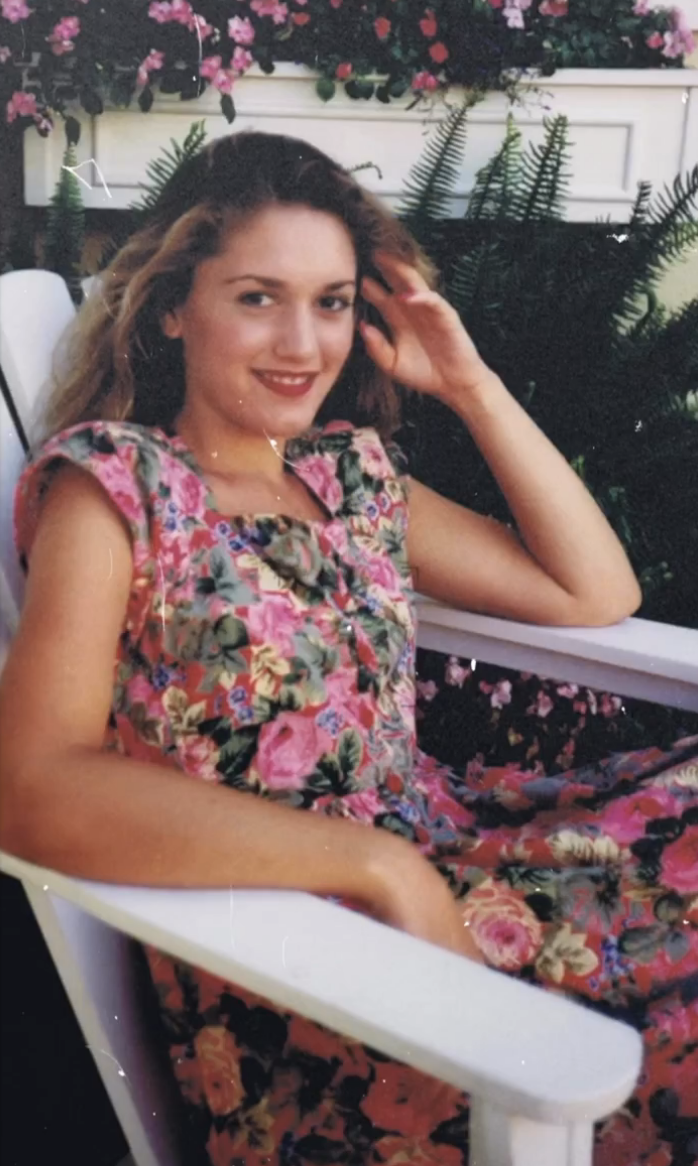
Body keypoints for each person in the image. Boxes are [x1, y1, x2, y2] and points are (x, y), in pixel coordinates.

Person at [0, 130, 696, 1166]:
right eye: (256, 295)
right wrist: (375, 866)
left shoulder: (348, 478)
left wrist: (466, 382)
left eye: (330, 300)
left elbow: (594, 588)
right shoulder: (117, 486)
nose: (301, 341)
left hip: (452, 860)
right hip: (310, 971)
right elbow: (35, 786)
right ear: (173, 305)